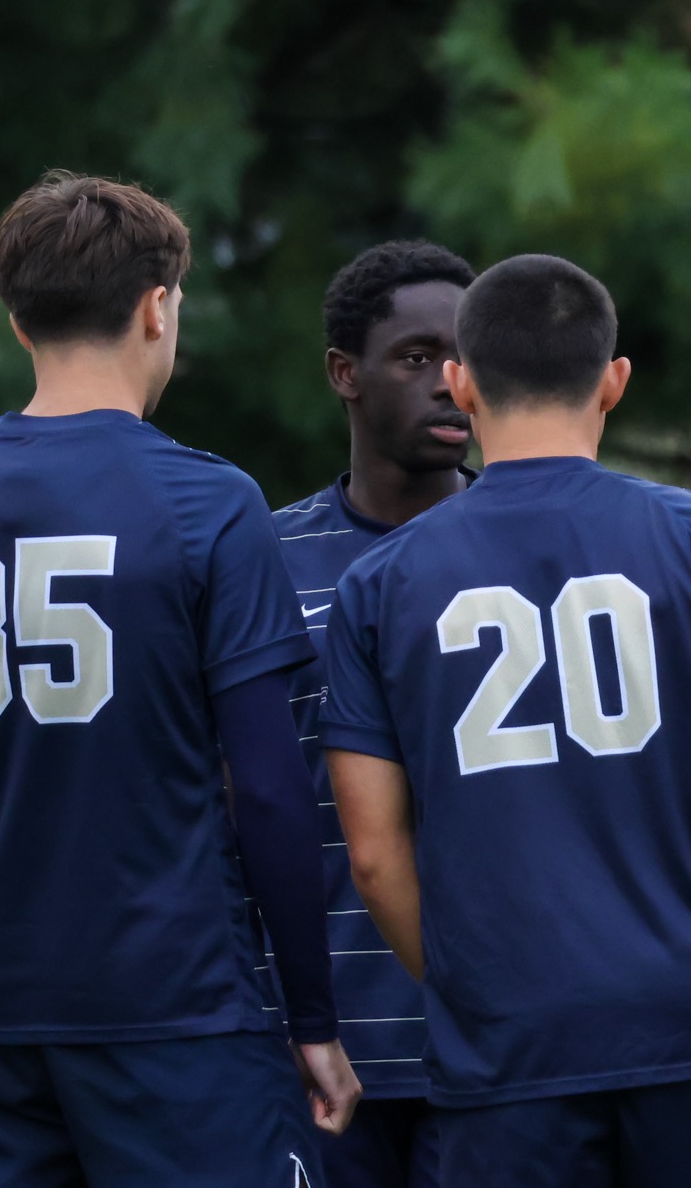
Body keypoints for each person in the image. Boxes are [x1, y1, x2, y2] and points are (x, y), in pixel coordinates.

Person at [0, 172, 359, 1188]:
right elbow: (269, 786)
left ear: (16, 321)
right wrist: (311, 1013)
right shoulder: (212, 504)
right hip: (179, 1006)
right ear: (157, 306)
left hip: (0, 1019)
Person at [322, 253, 691, 1186]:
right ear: (614, 382)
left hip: (510, 1040)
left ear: (462, 382)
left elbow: (372, 851)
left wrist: (466, 988)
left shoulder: (380, 582)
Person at [274, 239, 477, 1187]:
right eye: (415, 357)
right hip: (320, 1044)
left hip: (492, 1038)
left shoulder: (530, 549)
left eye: (464, 357)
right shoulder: (261, 562)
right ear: (344, 374)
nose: (448, 383)